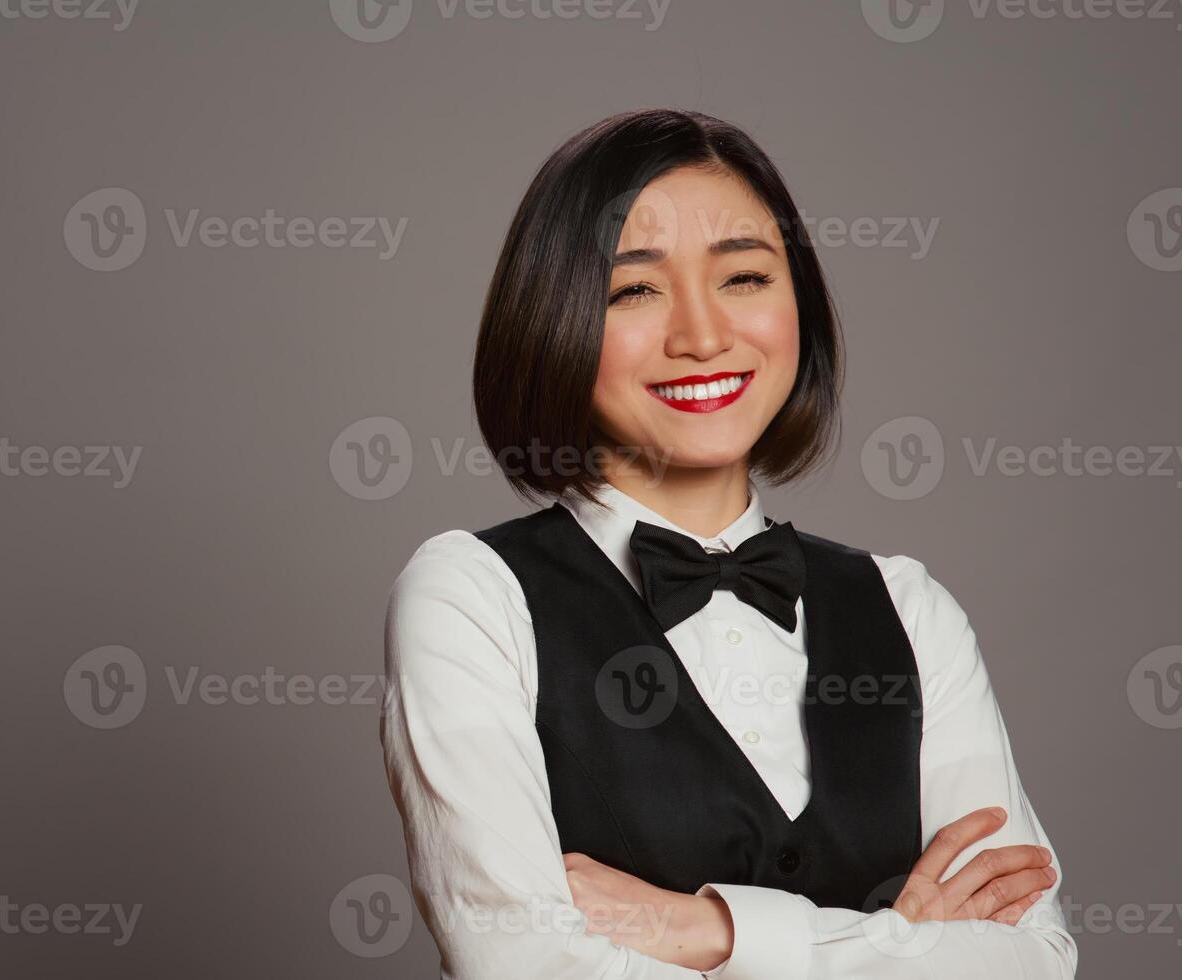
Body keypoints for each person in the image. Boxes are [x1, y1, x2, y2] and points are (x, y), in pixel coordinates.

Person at [379, 108, 1078, 979]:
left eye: (743, 277)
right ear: (552, 320)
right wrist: (903, 943)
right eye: (633, 290)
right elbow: (520, 962)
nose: (702, 336)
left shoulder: (908, 607)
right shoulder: (471, 595)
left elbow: (1035, 960)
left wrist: (706, 932)